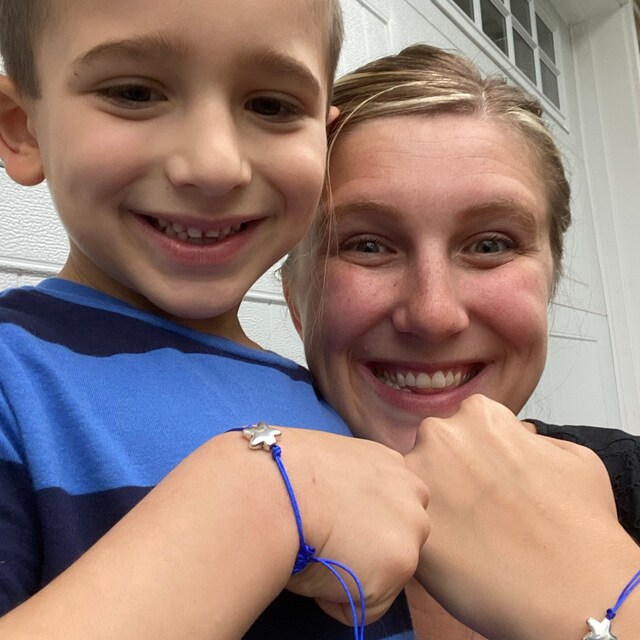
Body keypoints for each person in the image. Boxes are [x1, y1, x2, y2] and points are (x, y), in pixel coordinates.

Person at [0, 3, 431, 638]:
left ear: (322, 142)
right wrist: (262, 498)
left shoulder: (324, 400)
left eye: (272, 106)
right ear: (23, 130)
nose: (214, 165)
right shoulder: (14, 379)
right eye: (134, 93)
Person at [283, 44, 640, 639]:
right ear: (295, 300)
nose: (433, 314)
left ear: (549, 280)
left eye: (490, 245)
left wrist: (609, 598)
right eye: (367, 245)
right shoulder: (207, 533)